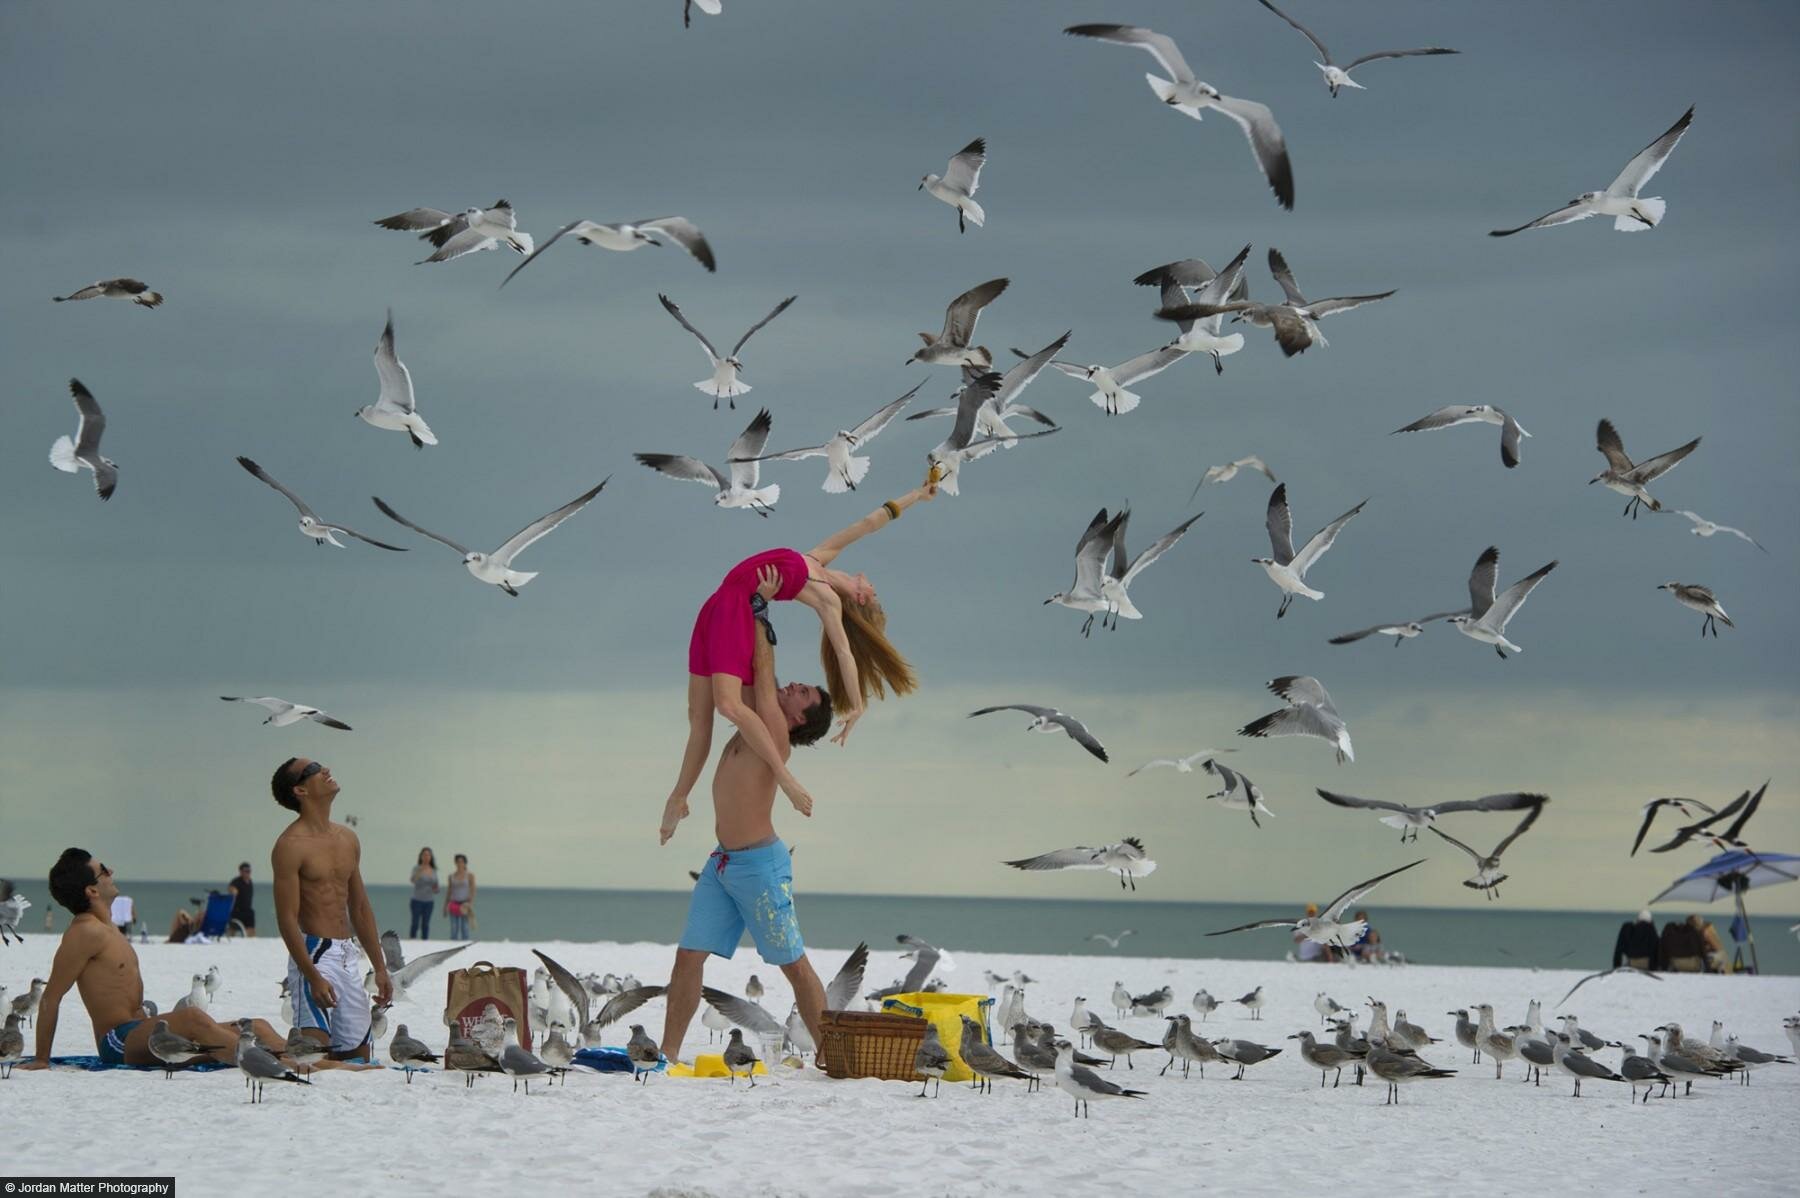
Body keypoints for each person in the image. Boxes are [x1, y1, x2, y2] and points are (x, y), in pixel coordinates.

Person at [674, 478, 937, 824]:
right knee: (698, 718)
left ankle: (785, 780)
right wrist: (917, 495)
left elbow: (844, 653)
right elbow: (868, 524)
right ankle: (677, 798)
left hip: (737, 610)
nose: (874, 585)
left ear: (860, 597)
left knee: (728, 705)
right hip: (718, 604)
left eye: (874, 593)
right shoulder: (819, 559)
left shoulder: (829, 601)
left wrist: (857, 706)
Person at [659, 618, 832, 1065]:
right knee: (688, 957)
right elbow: (758, 677)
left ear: (795, 720)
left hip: (761, 867)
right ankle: (667, 1054)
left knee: (793, 966)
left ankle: (833, 1056)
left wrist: (757, 616)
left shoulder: (775, 734)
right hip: (721, 865)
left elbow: (762, 662)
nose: (794, 685)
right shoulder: (752, 723)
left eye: (804, 693)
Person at [21, 848, 291, 1070]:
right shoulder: (84, 932)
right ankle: (278, 1064)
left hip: (142, 1030)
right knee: (193, 1018)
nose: (111, 871)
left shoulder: (109, 927)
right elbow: (51, 996)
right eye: (103, 870)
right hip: (119, 1040)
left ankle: (303, 1060)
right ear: (91, 891)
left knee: (258, 1027)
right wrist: (41, 1059)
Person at [271, 758, 394, 1061]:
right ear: (300, 789)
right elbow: (287, 919)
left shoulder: (348, 839)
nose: (324, 770)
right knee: (313, 1056)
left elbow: (360, 907)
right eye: (313, 770)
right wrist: (311, 975)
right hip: (314, 952)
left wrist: (380, 967)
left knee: (358, 1055)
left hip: (347, 955)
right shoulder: (290, 845)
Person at [409, 848, 439, 940]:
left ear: (431, 857)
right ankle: (412, 939)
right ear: (421, 857)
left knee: (425, 924)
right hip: (417, 900)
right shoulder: (416, 868)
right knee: (415, 923)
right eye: (424, 855)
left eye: (428, 855)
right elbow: (413, 880)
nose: (426, 857)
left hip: (429, 901)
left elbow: (436, 885)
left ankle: (425, 942)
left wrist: (436, 889)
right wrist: (421, 870)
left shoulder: (433, 870)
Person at [445, 854, 475, 941]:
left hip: (464, 904)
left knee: (464, 928)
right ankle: (452, 946)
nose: (460, 863)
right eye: (458, 861)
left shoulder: (470, 875)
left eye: (462, 862)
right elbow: (449, 891)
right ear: (455, 863)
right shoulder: (451, 876)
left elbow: (473, 890)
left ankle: (465, 947)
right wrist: (445, 906)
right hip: (454, 903)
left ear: (465, 863)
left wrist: (470, 903)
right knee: (454, 928)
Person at [227, 861, 256, 936]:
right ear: (241, 872)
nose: (248, 873)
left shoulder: (250, 882)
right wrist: (233, 891)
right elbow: (231, 888)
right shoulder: (236, 881)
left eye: (249, 871)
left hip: (247, 911)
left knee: (251, 927)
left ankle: (251, 941)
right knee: (232, 930)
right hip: (237, 911)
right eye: (246, 871)